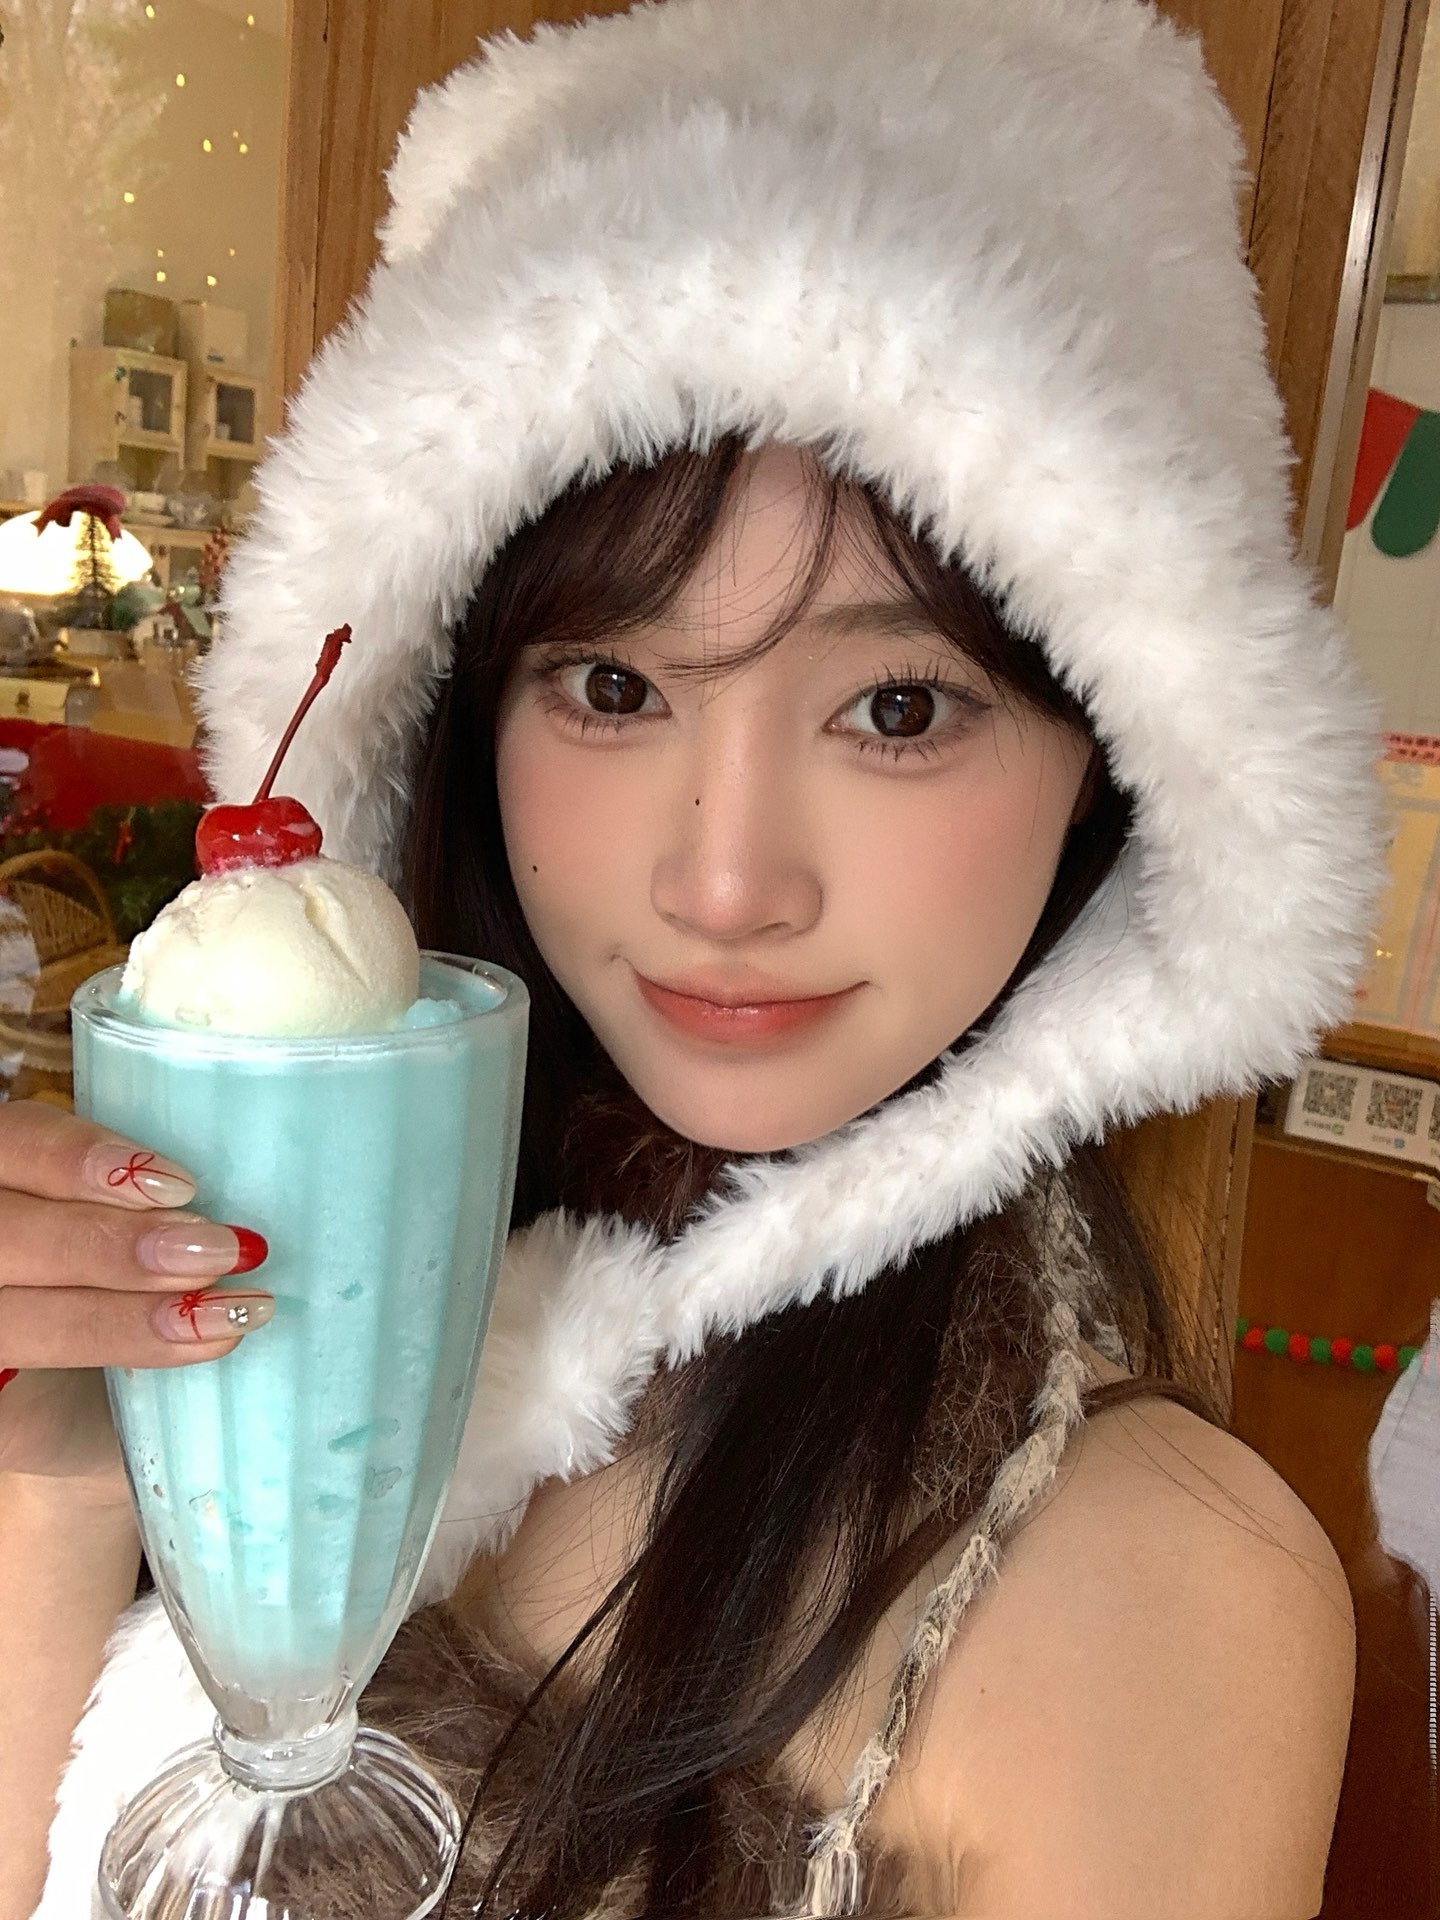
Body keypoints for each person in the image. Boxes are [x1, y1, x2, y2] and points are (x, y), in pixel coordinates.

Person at [0, 0, 1387, 1915]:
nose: (726, 885)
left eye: (899, 708)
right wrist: (70, 1470)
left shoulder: (1156, 1596)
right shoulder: (286, 1305)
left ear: (1116, 767)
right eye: (612, 686)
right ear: (456, 715)